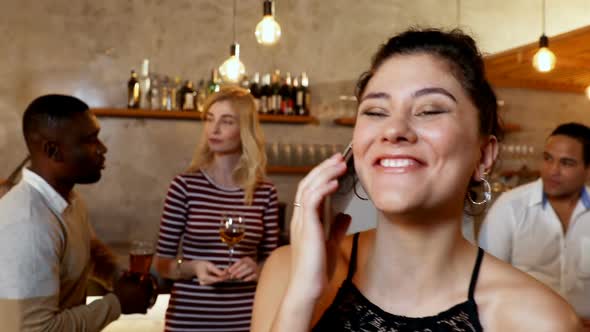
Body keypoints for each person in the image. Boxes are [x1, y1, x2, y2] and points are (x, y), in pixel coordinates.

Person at [251, 28, 583, 332]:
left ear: (484, 156)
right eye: (376, 112)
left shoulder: (539, 320)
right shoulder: (289, 272)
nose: (394, 130)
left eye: (430, 110)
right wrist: (303, 299)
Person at [0, 94, 152, 331]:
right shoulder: (28, 224)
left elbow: (87, 249)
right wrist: (118, 303)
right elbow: (37, 330)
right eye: (90, 140)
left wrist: (116, 275)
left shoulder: (69, 199)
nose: (103, 148)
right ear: (53, 150)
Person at [153, 86, 279, 332]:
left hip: (247, 319)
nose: (214, 129)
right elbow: (162, 264)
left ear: (244, 130)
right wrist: (193, 268)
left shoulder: (265, 191)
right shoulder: (184, 186)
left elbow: (272, 263)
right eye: (210, 120)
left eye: (226, 121)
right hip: (189, 321)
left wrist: (257, 268)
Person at [479, 122, 590, 329]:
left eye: (566, 163)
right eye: (548, 158)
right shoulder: (509, 207)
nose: (552, 170)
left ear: (587, 169)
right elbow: (484, 283)